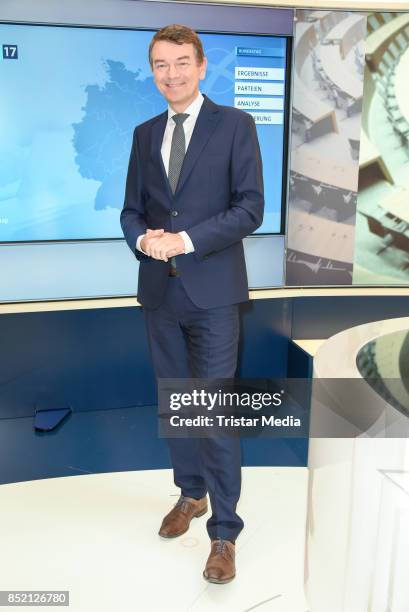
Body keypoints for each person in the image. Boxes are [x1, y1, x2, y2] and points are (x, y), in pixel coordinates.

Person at [120, 24, 264, 584]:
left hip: (214, 294)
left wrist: (184, 240)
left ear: (202, 66)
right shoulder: (143, 133)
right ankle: (191, 494)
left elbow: (249, 207)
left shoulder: (236, 125)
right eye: (161, 64)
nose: (172, 73)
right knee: (177, 406)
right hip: (160, 294)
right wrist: (143, 240)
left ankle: (224, 533)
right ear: (152, 70)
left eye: (182, 62)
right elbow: (133, 210)